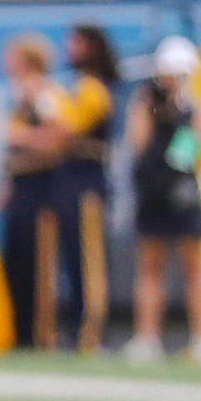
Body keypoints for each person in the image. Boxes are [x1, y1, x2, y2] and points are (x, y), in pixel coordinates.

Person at [127, 36, 201, 363]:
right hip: (153, 192)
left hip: (182, 193)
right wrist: (155, 109)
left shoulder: (200, 108)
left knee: (195, 266)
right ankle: (147, 338)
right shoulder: (144, 103)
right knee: (151, 266)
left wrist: (179, 114)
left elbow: (190, 152)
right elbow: (138, 146)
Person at [0, 33, 71, 353]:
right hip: (21, 187)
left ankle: (43, 335)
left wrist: (22, 137)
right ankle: (20, 332)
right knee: (16, 261)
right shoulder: (18, 95)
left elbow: (60, 137)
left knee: (40, 264)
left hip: (42, 188)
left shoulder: (43, 93)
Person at [57, 24, 119, 353]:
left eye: (76, 43)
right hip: (72, 180)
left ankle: (93, 332)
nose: (69, 48)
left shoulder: (93, 89)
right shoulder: (79, 87)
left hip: (87, 183)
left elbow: (65, 130)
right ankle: (79, 330)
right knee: (72, 258)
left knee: (89, 259)